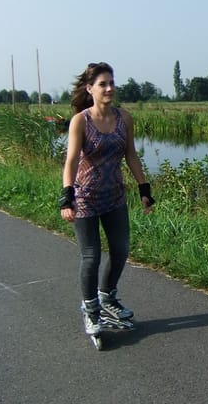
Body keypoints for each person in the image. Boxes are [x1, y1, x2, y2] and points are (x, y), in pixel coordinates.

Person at [59, 62, 154, 336]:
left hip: (114, 197)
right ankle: (91, 311)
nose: (109, 88)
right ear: (90, 89)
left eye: (111, 83)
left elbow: (131, 154)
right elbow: (71, 161)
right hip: (85, 198)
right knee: (91, 256)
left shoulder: (124, 119)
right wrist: (67, 197)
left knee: (121, 249)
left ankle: (107, 296)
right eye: (103, 84)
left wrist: (144, 188)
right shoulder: (81, 121)